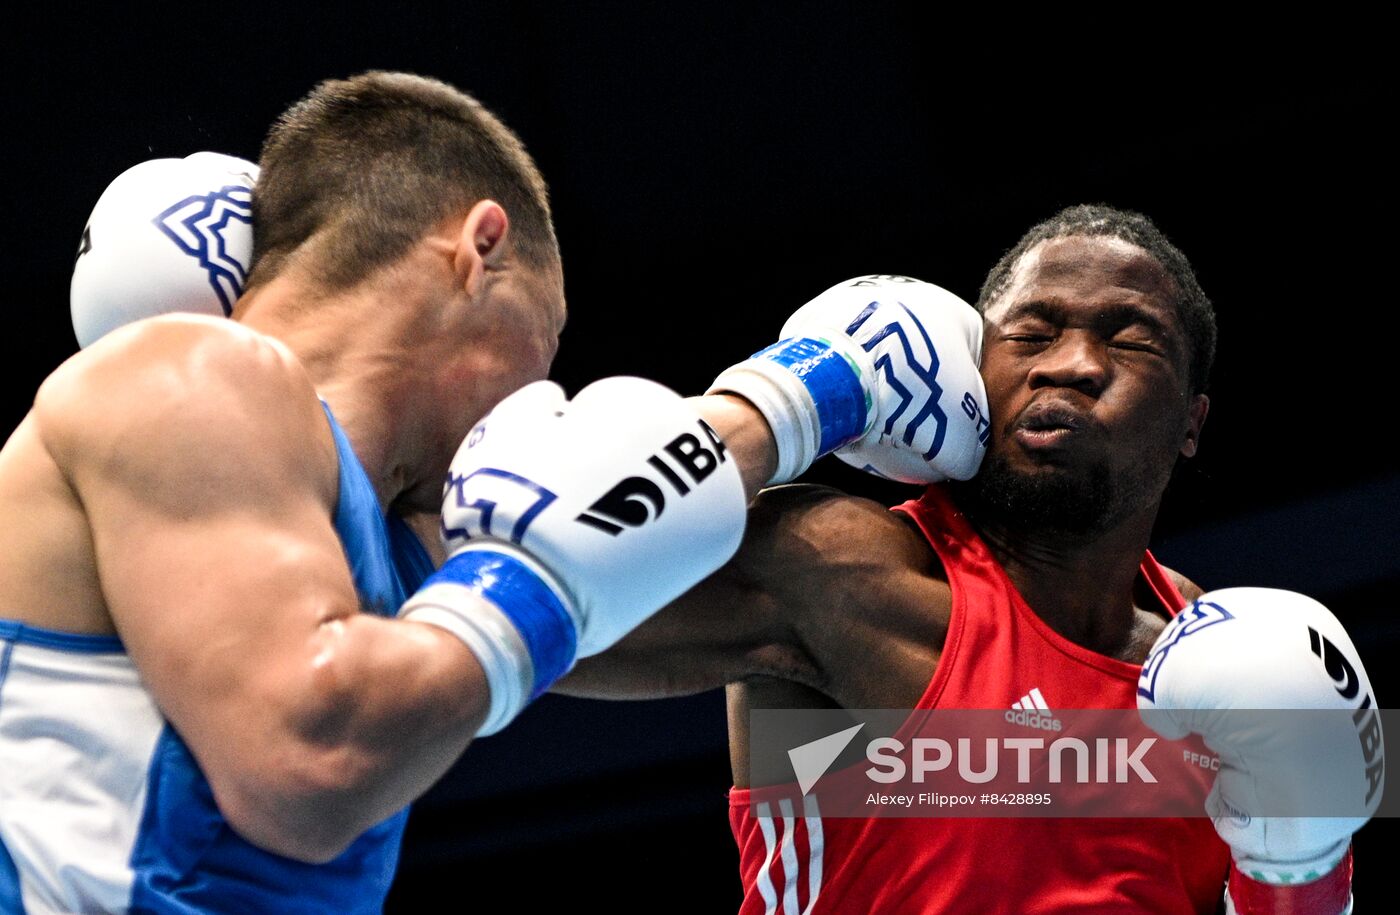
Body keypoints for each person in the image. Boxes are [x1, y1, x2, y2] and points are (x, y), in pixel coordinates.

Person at [4, 70, 990, 913]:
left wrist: (814, 391)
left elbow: (629, 517)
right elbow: (309, 761)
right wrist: (539, 582)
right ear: (479, 246)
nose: (536, 400)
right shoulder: (194, 375)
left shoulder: (360, 542)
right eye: (546, 342)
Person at [561, 205, 1380, 914]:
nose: (1071, 364)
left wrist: (1303, 874)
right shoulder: (849, 571)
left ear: (1192, 422)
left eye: (1130, 343)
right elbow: (550, 589)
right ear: (974, 369)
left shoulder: (1230, 667)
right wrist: (792, 400)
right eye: (1031, 333)